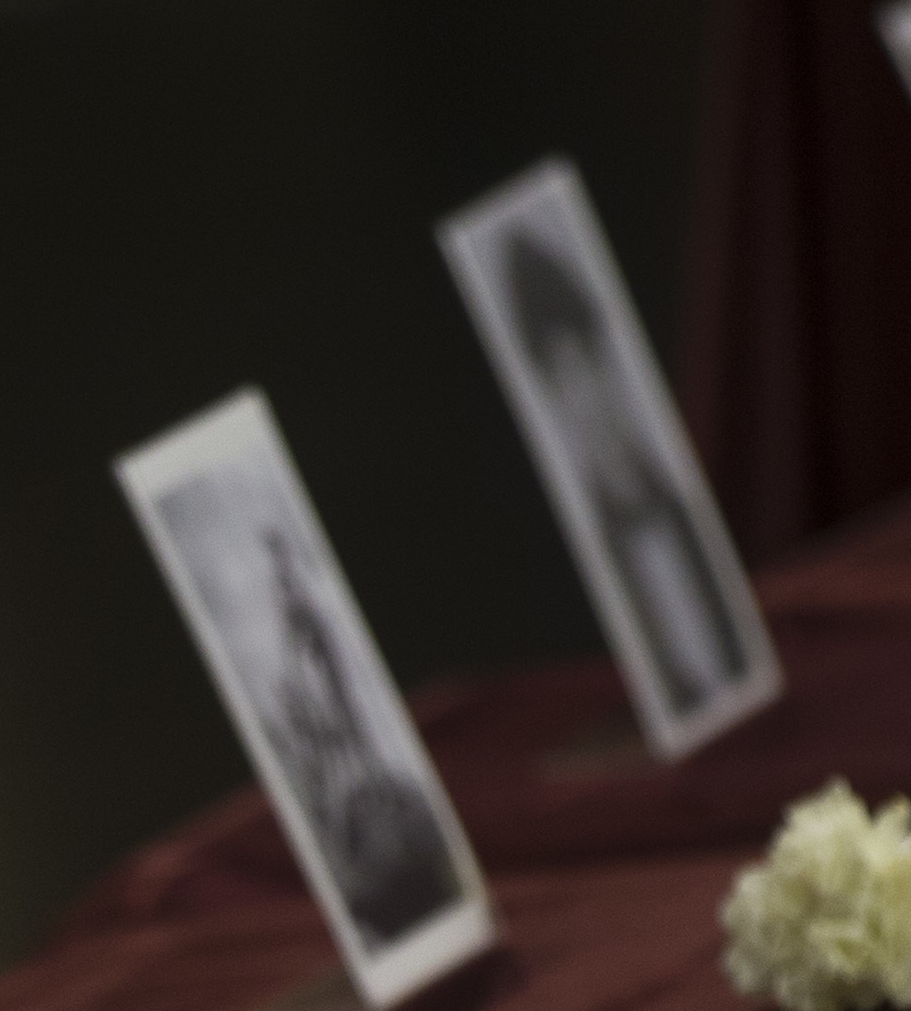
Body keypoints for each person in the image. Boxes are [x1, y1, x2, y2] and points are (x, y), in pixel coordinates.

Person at [501, 226, 747, 722]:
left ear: (609, 363)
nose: (588, 402)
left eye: (588, 367)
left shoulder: (693, 502)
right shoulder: (583, 562)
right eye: (563, 382)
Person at [250, 523, 462, 944]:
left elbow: (329, 670)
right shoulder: (301, 670)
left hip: (346, 735)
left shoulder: (316, 645)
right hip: (336, 743)